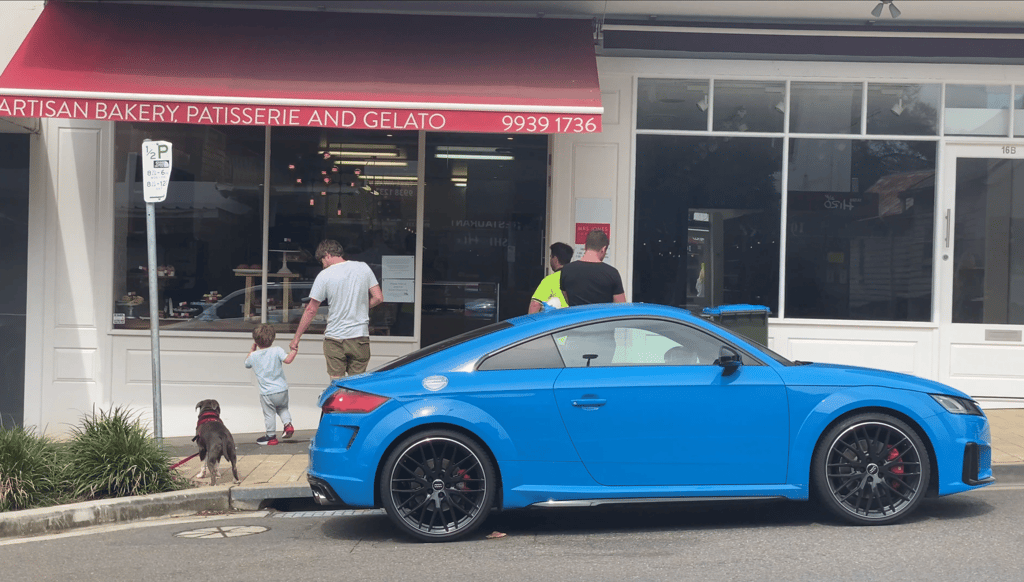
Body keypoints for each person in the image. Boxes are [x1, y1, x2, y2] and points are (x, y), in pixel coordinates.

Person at [291, 240, 383, 379]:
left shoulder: (325, 275)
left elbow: (311, 310)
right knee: (356, 386)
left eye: (322, 261)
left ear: (327, 255)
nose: (323, 265)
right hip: (360, 338)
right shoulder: (363, 268)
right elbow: (378, 297)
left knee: (337, 385)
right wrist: (361, 307)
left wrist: (296, 338)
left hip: (335, 339)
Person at [245, 323, 297, 446]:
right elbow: (288, 360)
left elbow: (247, 364)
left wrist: (251, 351)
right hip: (282, 389)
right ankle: (288, 425)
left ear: (255, 341)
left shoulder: (253, 356)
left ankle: (271, 436)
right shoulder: (277, 350)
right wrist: (294, 351)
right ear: (273, 339)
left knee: (269, 414)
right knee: (283, 408)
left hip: (267, 393)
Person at [559, 229, 627, 306]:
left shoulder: (566, 270)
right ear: (603, 249)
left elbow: (567, 300)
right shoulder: (612, 273)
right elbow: (621, 307)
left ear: (585, 246)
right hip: (602, 317)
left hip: (577, 317)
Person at [528, 242, 574, 314]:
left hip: (556, 322)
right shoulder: (574, 277)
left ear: (555, 259)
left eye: (550, 256)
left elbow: (535, 305)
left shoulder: (550, 280)